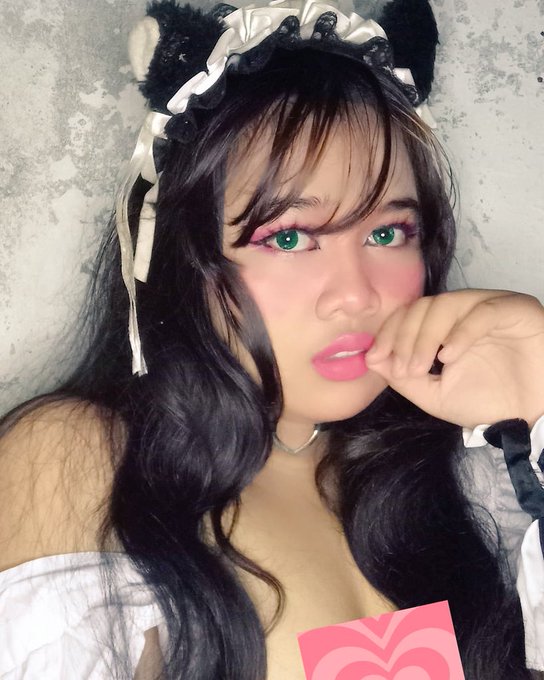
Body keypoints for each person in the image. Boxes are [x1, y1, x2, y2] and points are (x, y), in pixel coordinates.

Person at [1, 0, 543, 678]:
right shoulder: (89, 462)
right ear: (184, 258)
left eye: (387, 232)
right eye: (288, 238)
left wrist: (539, 399)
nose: (356, 294)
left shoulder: (463, 472)